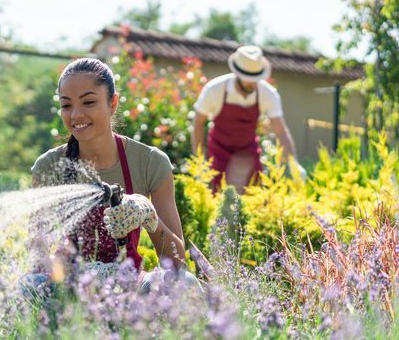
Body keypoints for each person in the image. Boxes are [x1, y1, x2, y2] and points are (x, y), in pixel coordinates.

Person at [29, 58, 200, 296]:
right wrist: (61, 269)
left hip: (129, 286)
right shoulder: (49, 167)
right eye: (66, 105)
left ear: (113, 103)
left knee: (186, 285)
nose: (76, 115)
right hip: (71, 288)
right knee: (28, 287)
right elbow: (36, 251)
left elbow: (177, 263)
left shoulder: (149, 162)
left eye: (89, 102)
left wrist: (149, 216)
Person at [191, 45, 307, 194]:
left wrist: (293, 164)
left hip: (248, 154)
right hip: (219, 153)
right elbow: (198, 124)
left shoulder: (267, 93)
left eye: (256, 79)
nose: (252, 83)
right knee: (218, 200)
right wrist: (200, 162)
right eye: (248, 79)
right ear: (237, 74)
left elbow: (281, 131)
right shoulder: (215, 89)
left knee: (255, 198)